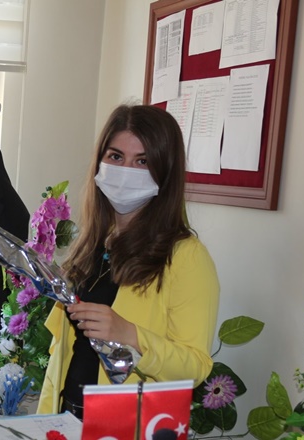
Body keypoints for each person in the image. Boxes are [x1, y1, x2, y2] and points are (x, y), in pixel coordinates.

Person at [36, 104, 220, 419]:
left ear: (165, 171)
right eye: (116, 157)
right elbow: (65, 352)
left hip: (125, 424)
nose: (126, 171)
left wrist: (131, 334)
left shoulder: (187, 256)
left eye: (143, 161)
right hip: (66, 417)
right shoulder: (95, 243)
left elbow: (195, 368)